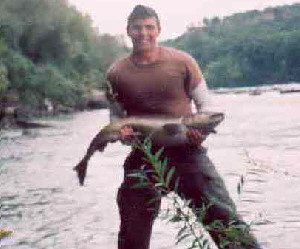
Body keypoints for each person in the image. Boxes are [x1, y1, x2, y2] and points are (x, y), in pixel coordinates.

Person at [106, 5, 261, 249]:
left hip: (186, 151)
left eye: (149, 27)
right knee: (132, 230)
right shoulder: (116, 73)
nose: (143, 33)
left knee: (222, 216)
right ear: (128, 31)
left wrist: (200, 134)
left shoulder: (183, 61)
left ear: (159, 30)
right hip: (144, 155)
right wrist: (123, 136)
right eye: (137, 28)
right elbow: (115, 121)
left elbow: (207, 107)